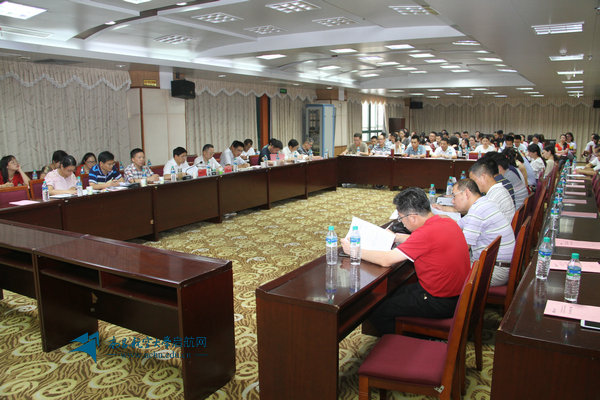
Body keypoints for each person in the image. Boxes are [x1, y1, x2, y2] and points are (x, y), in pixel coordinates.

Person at [340, 187, 470, 335]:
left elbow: (386, 260)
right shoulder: (446, 221)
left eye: (401, 218)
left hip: (440, 301)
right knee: (390, 294)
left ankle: (405, 341)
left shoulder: (425, 234)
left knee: (376, 310)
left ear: (412, 217)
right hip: (457, 294)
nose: (402, 223)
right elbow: (427, 242)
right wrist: (396, 237)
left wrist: (353, 250)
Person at [451, 178, 516, 286]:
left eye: (454, 196)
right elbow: (458, 225)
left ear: (466, 193)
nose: (452, 201)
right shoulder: (485, 202)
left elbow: (463, 248)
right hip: (496, 265)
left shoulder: (477, 210)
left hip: (494, 270)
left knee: (444, 272)